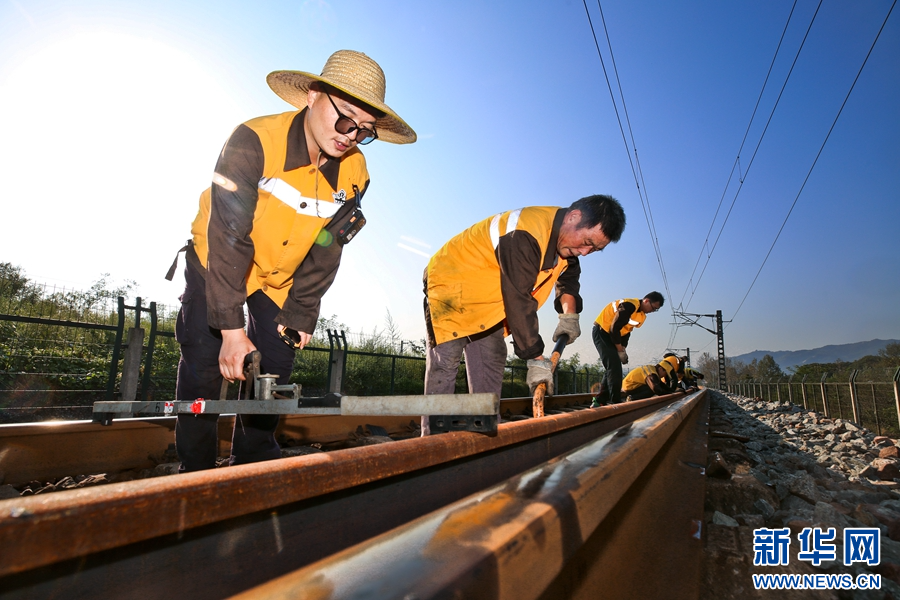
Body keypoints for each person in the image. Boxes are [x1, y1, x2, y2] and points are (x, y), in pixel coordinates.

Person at [168, 50, 416, 472]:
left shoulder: (356, 172)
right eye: (345, 120)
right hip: (219, 261)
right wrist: (229, 328)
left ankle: (253, 465)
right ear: (313, 96)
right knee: (205, 364)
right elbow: (230, 235)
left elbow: (328, 243)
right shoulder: (252, 140)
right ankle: (194, 473)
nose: (351, 136)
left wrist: (302, 310)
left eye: (365, 130)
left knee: (276, 372)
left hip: (279, 278)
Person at [421, 195, 626, 432]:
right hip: (453, 284)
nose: (584, 252)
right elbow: (519, 299)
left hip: (489, 299)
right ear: (574, 217)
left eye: (594, 249)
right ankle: (431, 442)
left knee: (493, 357)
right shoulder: (525, 232)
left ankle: (484, 432)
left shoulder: (567, 248)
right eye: (587, 241)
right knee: (445, 364)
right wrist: (536, 359)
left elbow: (568, 281)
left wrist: (569, 316)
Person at [590, 292, 664, 407]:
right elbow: (614, 328)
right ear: (646, 301)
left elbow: (627, 331)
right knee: (614, 367)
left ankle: (599, 400)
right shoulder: (629, 305)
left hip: (613, 337)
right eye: (653, 308)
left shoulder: (641, 316)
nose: (652, 311)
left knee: (612, 366)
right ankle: (615, 401)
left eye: (655, 310)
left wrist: (623, 348)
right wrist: (619, 350)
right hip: (602, 332)